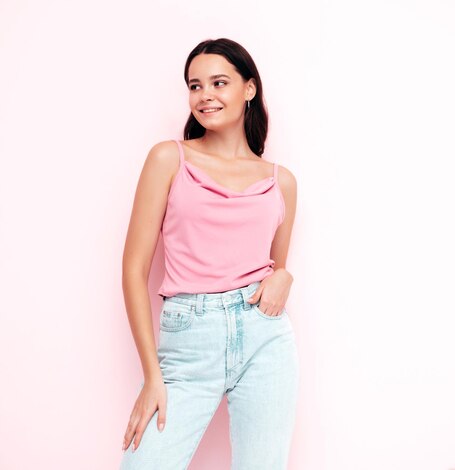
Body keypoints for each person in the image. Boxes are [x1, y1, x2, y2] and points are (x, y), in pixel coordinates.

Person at [119, 38, 299, 469]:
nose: (205, 96)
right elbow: (133, 268)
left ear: (249, 89)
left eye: (219, 82)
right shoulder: (169, 158)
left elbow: (278, 265)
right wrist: (151, 376)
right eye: (195, 86)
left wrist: (284, 276)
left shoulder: (281, 181)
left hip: (265, 340)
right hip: (188, 337)